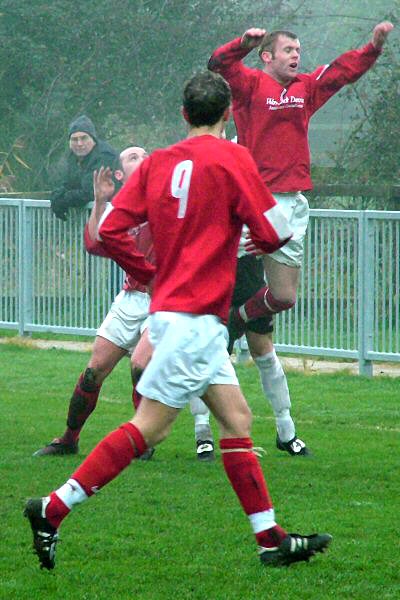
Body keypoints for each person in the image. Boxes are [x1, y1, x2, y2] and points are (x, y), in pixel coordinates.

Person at [24, 70, 331, 571]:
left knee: (236, 420)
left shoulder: (159, 163)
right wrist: (260, 240)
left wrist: (150, 268)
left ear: (184, 115)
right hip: (195, 319)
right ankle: (51, 510)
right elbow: (274, 231)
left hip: (177, 313)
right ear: (229, 113)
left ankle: (271, 539)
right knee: (150, 428)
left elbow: (111, 231)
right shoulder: (234, 157)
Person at [34, 146, 215, 461]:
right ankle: (69, 439)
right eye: (133, 157)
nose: (142, 158)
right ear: (119, 174)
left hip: (162, 298)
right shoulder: (119, 207)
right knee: (94, 372)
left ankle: (142, 440)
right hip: (130, 298)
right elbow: (94, 243)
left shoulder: (166, 198)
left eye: (145, 155)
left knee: (140, 365)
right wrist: (101, 201)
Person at [208, 21, 394, 327]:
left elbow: (342, 71)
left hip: (292, 203)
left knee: (284, 297)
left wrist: (373, 47)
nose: (296, 55)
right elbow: (218, 64)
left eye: (298, 50)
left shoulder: (305, 87)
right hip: (258, 199)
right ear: (267, 57)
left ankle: (234, 322)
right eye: (288, 50)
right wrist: (242, 44)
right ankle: (177, 316)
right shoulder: (250, 85)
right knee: (207, 261)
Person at [50, 115, 118, 221]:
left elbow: (90, 192)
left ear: (93, 139)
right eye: (74, 139)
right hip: (90, 218)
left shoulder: (105, 156)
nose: (79, 143)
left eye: (84, 138)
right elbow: (69, 183)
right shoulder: (72, 156)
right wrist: (56, 197)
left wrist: (63, 200)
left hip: (111, 216)